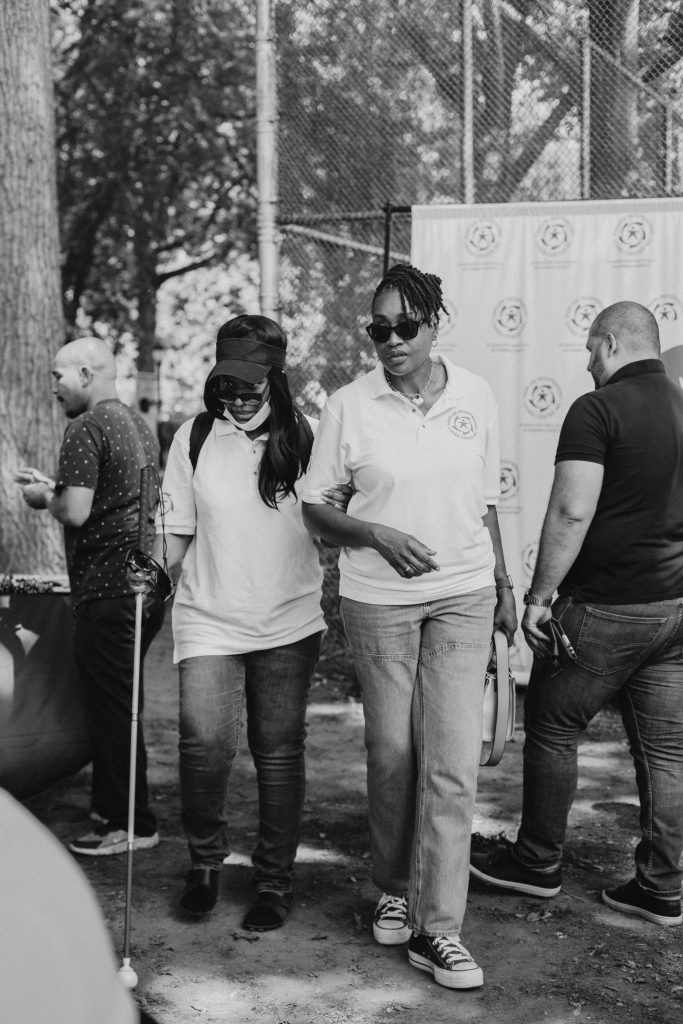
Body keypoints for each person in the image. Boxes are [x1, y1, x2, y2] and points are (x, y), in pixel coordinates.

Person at [301, 263, 517, 990]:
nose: (388, 340)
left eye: (403, 327)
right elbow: (313, 505)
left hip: (462, 594)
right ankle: (392, 887)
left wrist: (503, 579)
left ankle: (438, 929)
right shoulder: (348, 405)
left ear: (433, 324)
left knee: (451, 763)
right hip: (378, 603)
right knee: (392, 754)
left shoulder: (476, 397)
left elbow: (486, 499)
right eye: (377, 328)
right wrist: (375, 535)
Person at [470, 300, 683, 929]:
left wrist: (537, 598)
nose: (588, 364)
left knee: (553, 720)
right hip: (674, 610)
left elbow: (570, 512)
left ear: (610, 342)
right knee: (668, 750)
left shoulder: (598, 408)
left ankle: (536, 863)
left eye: (591, 351)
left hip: (606, 608)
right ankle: (664, 886)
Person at [152, 314, 347, 930]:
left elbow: (334, 521)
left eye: (248, 387)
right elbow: (175, 531)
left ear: (276, 378)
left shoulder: (309, 435)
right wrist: (152, 572)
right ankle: (205, 864)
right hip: (209, 615)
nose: (235, 399)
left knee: (278, 752)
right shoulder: (193, 436)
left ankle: (273, 880)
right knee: (205, 746)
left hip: (287, 619)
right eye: (225, 387)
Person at [15, 337, 165, 856]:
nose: (52, 386)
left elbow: (74, 511)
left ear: (84, 373)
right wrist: (57, 484)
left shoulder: (85, 427)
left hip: (107, 592)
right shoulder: (135, 426)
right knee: (119, 706)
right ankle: (115, 813)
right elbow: (106, 497)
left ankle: (132, 825)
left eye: (59, 376)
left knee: (113, 710)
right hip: (141, 590)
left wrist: (42, 497)